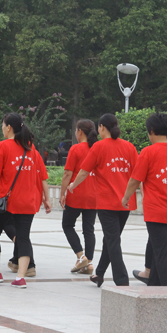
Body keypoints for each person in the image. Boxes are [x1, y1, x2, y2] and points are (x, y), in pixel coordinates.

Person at [0, 113, 50, 288]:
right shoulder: (31, 148)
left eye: (3, 125)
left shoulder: (3, 146)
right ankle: (20, 278)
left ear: (9, 127)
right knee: (23, 237)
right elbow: (41, 176)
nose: (2, 128)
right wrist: (46, 198)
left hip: (7, 200)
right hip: (28, 201)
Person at [122, 113, 167, 286]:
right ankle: (153, 286)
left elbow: (135, 180)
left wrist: (125, 198)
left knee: (161, 254)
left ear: (151, 131)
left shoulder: (148, 152)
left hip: (157, 212)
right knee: (159, 251)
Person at [69, 114, 137, 287]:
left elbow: (84, 171)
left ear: (101, 127)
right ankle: (99, 274)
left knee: (112, 241)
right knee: (110, 239)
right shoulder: (129, 147)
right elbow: (137, 175)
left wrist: (73, 185)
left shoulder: (99, 147)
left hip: (107, 203)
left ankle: (122, 281)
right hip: (126, 203)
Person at [59, 119, 98, 275]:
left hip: (76, 193)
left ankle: (81, 256)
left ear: (80, 132)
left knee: (67, 225)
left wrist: (62, 193)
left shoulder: (76, 149)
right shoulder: (97, 148)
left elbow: (67, 173)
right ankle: (89, 264)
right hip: (93, 194)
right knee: (89, 230)